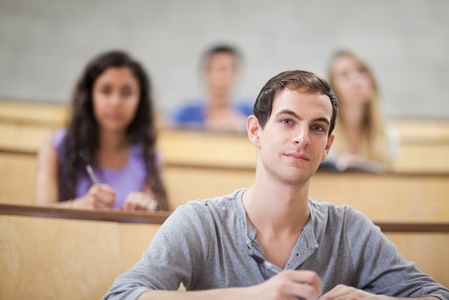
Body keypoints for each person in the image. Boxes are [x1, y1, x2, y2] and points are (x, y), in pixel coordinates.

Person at [103, 70, 449, 299]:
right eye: (287, 121)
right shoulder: (200, 222)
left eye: (317, 127)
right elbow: (121, 295)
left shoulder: (350, 229)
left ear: (327, 145)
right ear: (255, 131)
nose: (302, 138)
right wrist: (254, 295)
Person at [34, 50, 169, 211]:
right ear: (90, 96)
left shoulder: (149, 155)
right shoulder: (57, 144)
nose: (115, 102)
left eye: (126, 93)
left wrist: (150, 208)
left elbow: (159, 216)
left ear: (140, 101)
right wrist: (78, 206)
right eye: (105, 90)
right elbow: (40, 213)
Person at [324, 50, 398, 172]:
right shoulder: (325, 132)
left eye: (361, 71)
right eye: (344, 75)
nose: (356, 80)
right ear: (333, 88)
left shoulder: (388, 134)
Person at [168, 44, 253, 132]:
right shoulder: (184, 114)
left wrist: (242, 127)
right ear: (206, 72)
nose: (223, 76)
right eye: (220, 69)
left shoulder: (250, 113)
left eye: (231, 69)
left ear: (237, 75)